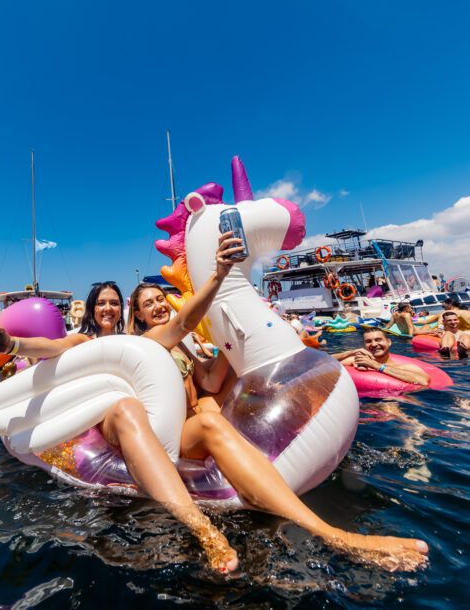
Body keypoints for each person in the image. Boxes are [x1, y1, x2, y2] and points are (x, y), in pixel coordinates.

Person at [126, 233, 428, 572]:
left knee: (224, 400)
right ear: (138, 316)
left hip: (196, 422)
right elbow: (184, 323)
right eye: (148, 303)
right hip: (178, 434)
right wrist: (220, 275)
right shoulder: (148, 342)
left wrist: (229, 345)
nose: (158, 305)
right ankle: (335, 536)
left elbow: (208, 381)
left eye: (160, 299)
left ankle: (273, 503)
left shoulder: (181, 346)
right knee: (211, 420)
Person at [0, 280, 239, 573]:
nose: (108, 308)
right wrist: (13, 344)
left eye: (114, 303)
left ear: (122, 309)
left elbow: (179, 336)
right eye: (102, 303)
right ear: (92, 308)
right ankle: (195, 529)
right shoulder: (84, 342)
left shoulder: (136, 341)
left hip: (141, 426)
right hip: (110, 432)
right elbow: (52, 347)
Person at [332, 329, 429, 387]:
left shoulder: (404, 367)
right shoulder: (357, 360)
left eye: (378, 340)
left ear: (389, 342)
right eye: (369, 341)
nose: (374, 344)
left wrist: (376, 365)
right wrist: (350, 352)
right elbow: (320, 361)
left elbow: (423, 381)